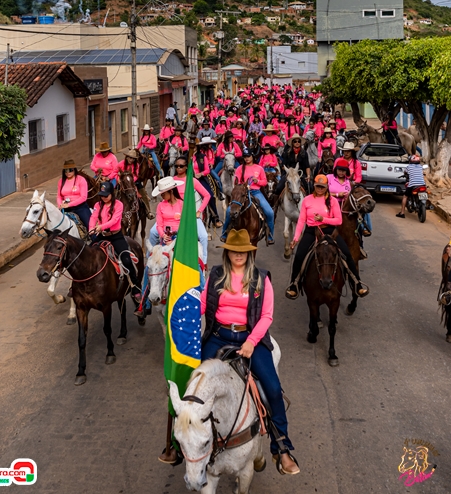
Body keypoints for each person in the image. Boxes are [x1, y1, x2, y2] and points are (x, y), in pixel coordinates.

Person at [201, 228, 300, 476]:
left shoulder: (260, 278)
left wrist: (252, 341)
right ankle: (184, 444)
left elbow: (266, 316)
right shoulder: (215, 275)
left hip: (249, 339)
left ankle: (282, 447)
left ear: (249, 253)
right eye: (234, 250)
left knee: (273, 389)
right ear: (228, 253)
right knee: (196, 387)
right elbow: (202, 305)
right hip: (218, 337)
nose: (238, 255)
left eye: (243, 251)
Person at [285, 174, 369, 299]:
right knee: (299, 256)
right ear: (314, 185)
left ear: (326, 187)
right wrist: (295, 239)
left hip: (329, 231)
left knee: (348, 255)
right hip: (311, 231)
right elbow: (301, 220)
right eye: (317, 186)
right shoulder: (307, 200)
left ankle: (357, 283)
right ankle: (294, 285)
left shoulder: (333, 201)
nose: (319, 189)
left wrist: (323, 219)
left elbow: (338, 221)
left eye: (322, 187)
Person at [89, 181, 142, 303]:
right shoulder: (98, 204)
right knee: (87, 254)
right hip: (102, 236)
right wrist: (91, 227)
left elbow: (114, 220)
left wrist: (100, 227)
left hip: (116, 236)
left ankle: (135, 287)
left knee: (127, 260)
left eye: (106, 195)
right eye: (102, 195)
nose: (103, 198)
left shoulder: (118, 204)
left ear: (112, 194)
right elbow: (93, 217)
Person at [148, 167, 210, 262]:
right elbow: (159, 225)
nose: (161, 196)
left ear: (171, 191)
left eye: (163, 193)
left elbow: (186, 224)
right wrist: (163, 235)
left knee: (196, 261)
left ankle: (204, 265)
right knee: (151, 266)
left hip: (180, 237)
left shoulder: (182, 204)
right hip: (166, 236)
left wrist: (177, 239)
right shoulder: (160, 206)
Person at [221, 147, 275, 245]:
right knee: (229, 210)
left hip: (256, 192)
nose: (247, 158)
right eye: (245, 157)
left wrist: (257, 181)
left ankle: (270, 235)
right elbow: (236, 182)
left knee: (270, 212)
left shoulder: (259, 168)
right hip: (243, 193)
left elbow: (264, 182)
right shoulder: (239, 168)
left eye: (248, 156)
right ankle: (224, 233)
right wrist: (243, 187)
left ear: (252, 157)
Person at [193, 139, 222, 228]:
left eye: (193, 147)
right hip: (188, 180)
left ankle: (215, 218)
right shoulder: (185, 158)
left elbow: (207, 170)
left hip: (201, 179)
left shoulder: (202, 156)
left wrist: (200, 174)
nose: (192, 149)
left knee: (210, 196)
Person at [119, 149, 154, 219]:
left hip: (133, 182)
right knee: (113, 192)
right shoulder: (121, 163)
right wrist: (118, 179)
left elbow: (136, 175)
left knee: (143, 193)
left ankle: (148, 211)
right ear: (127, 157)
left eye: (133, 158)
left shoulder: (136, 165)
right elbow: (114, 171)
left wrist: (130, 181)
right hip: (122, 182)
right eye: (130, 157)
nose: (131, 160)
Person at [57, 159, 91, 229]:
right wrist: (60, 205)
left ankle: (95, 239)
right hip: (65, 207)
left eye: (70, 170)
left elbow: (83, 197)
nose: (68, 172)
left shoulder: (81, 180)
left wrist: (69, 204)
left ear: (74, 170)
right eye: (66, 170)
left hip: (80, 207)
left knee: (89, 226)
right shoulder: (61, 181)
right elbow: (59, 196)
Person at [396, 154, 426, 218]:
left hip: (413, 184)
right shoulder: (420, 166)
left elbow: (405, 172)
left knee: (405, 196)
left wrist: (405, 174)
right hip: (422, 184)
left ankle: (402, 213)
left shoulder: (409, 167)